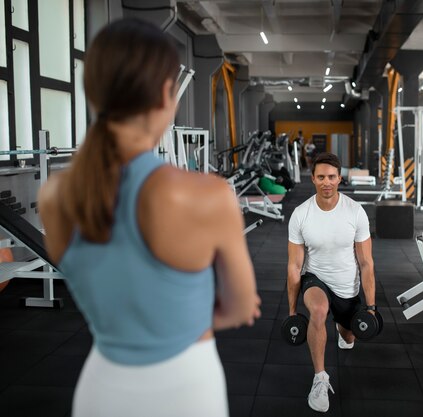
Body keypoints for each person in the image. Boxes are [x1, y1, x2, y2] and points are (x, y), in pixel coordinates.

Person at [38, 18, 260, 417]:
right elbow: (242, 308)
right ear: (165, 93)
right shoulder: (206, 195)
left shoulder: (54, 195)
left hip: (100, 390)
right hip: (185, 389)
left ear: (93, 95)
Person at [287, 152, 376, 413]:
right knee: (317, 310)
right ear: (313, 179)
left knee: (348, 336)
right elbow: (294, 266)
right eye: (321, 177)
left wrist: (370, 308)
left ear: (340, 179)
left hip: (347, 286)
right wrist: (292, 312)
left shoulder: (355, 212)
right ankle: (320, 379)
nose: (327, 182)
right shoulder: (301, 215)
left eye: (332, 177)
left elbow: (367, 263)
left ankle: (342, 328)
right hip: (315, 279)